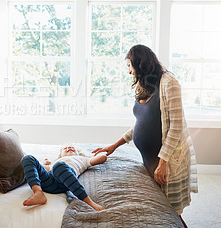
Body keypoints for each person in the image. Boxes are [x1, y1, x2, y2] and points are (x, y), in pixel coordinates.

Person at [92, 44, 198, 227]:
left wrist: (163, 162)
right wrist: (114, 145)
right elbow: (141, 123)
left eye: (129, 66)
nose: (129, 72)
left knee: (170, 212)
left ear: (140, 63)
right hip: (149, 160)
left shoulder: (168, 82)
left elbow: (176, 126)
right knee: (158, 209)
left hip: (167, 159)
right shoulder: (145, 84)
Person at [21, 145, 107, 211]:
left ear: (78, 153)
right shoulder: (56, 162)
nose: (69, 148)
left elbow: (102, 158)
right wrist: (44, 162)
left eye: (72, 148)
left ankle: (89, 202)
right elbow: (38, 168)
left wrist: (97, 156)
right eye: (65, 148)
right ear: (60, 155)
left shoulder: (82, 159)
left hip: (65, 181)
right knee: (27, 158)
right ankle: (38, 192)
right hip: (48, 182)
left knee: (59, 166)